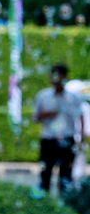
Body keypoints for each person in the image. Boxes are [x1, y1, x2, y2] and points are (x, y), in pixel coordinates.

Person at [35, 62, 83, 194]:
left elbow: (80, 116)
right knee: (46, 172)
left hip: (67, 137)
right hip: (49, 138)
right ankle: (45, 202)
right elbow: (36, 117)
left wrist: (81, 138)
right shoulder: (43, 96)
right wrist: (46, 114)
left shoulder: (73, 98)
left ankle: (64, 204)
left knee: (66, 174)